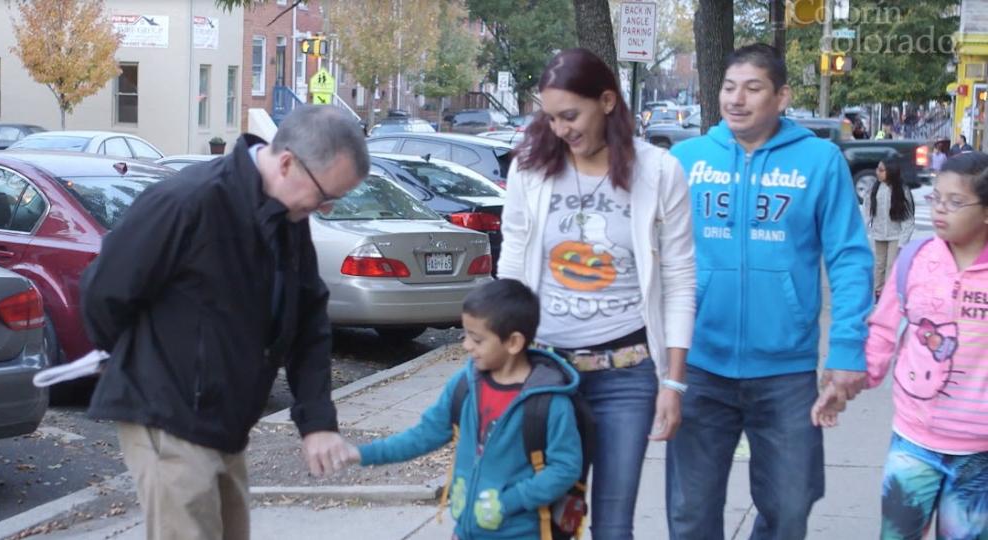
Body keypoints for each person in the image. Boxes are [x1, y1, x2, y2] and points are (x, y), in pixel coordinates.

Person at [80, 105, 368, 539]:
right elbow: (103, 291)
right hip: (168, 415)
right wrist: (145, 362)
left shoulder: (286, 219)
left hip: (227, 423)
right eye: (326, 196)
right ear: (288, 162)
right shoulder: (188, 202)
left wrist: (318, 422)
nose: (324, 208)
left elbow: (308, 323)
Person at [667, 43, 873, 540]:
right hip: (699, 366)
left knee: (789, 506)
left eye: (753, 88)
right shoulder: (684, 160)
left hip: (786, 371)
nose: (737, 99)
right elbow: (653, 256)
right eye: (729, 87)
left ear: (782, 97)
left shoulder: (819, 161)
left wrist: (847, 349)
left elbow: (849, 256)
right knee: (690, 513)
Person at [497, 48, 696, 539]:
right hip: (547, 375)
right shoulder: (530, 170)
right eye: (550, 117)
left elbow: (680, 280)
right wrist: (501, 364)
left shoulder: (660, 172)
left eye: (570, 115)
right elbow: (512, 266)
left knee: (612, 524)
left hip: (626, 378)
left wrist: (672, 383)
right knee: (551, 521)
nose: (561, 129)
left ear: (607, 101)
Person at [813, 152, 988, 539]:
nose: (941, 209)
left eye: (955, 202)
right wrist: (847, 384)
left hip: (980, 452)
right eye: (936, 198)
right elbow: (884, 330)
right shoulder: (916, 260)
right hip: (915, 440)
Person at [347, 279, 582, 539]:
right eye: (465, 334)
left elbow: (565, 468)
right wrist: (362, 454)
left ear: (513, 343)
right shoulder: (465, 387)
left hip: (520, 533)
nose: (467, 345)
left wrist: (509, 502)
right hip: (466, 531)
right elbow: (422, 436)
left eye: (477, 339)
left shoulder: (549, 402)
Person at [863, 158, 915, 299]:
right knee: (879, 264)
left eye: (881, 170)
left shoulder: (901, 191)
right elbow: (868, 211)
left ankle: (889, 293)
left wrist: (903, 241)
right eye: (877, 169)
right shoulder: (874, 189)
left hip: (895, 235)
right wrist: (864, 228)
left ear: (890, 171)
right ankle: (878, 291)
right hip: (879, 234)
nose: (877, 173)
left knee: (892, 265)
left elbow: (908, 218)